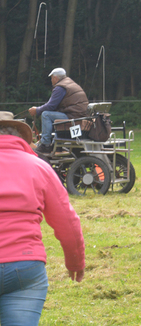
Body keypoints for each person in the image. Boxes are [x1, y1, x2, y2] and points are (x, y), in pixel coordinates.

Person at [0, 111, 85, 325]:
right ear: (19, 137)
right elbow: (68, 221)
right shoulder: (38, 167)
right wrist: (75, 262)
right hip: (25, 265)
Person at [28, 68, 89, 154]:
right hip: (79, 115)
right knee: (52, 115)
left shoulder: (60, 87)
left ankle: (45, 144)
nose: (51, 80)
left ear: (55, 78)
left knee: (46, 114)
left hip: (73, 116)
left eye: (51, 78)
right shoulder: (71, 83)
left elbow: (51, 106)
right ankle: (58, 145)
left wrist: (37, 110)